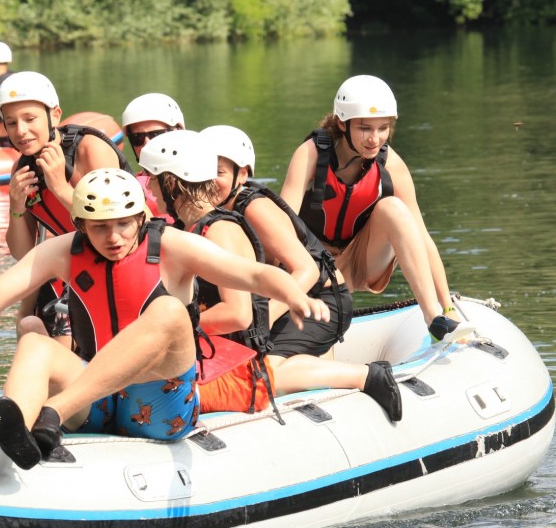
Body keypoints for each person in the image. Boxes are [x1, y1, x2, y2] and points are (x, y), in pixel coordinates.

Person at [0, 168, 329, 470]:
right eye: (100, 228)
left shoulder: (173, 246)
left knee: (170, 310)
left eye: (124, 224)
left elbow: (254, 274)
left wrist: (292, 292)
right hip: (97, 398)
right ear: (81, 225)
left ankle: (52, 413)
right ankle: (13, 439)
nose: (114, 237)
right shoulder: (65, 251)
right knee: (35, 341)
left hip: (160, 403)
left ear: (140, 218)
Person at [141, 129, 401, 421]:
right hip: (277, 303)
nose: (148, 186)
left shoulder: (224, 227)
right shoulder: (188, 227)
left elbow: (245, 311)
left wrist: (180, 329)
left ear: (172, 182)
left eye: (152, 177)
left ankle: (366, 375)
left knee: (267, 374)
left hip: (318, 298)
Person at [280, 75, 473, 344]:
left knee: (394, 208)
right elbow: (280, 225)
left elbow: (422, 238)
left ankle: (434, 319)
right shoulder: (311, 153)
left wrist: (447, 305)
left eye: (383, 128)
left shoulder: (391, 164)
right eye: (365, 128)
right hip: (309, 264)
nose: (375, 139)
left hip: (358, 264)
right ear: (342, 123)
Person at [1, 71, 129, 339]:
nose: (20, 131)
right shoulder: (22, 168)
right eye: (11, 123)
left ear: (55, 115)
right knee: (28, 327)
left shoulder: (89, 149)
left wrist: (59, 185)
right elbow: (22, 252)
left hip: (118, 262)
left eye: (30, 119)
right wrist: (16, 206)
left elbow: (114, 222)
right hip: (71, 268)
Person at [120, 92, 185, 216]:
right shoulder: (128, 188)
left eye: (156, 135)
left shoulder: (208, 180)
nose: (147, 144)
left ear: (179, 131)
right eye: (137, 138)